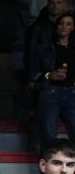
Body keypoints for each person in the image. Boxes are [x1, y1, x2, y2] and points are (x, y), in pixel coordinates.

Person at [29, 12, 75, 146]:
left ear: (73, 28)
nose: (64, 27)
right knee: (49, 134)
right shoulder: (44, 48)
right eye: (61, 24)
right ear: (56, 26)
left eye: (68, 24)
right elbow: (33, 75)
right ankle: (49, 159)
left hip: (72, 92)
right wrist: (49, 75)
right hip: (50, 92)